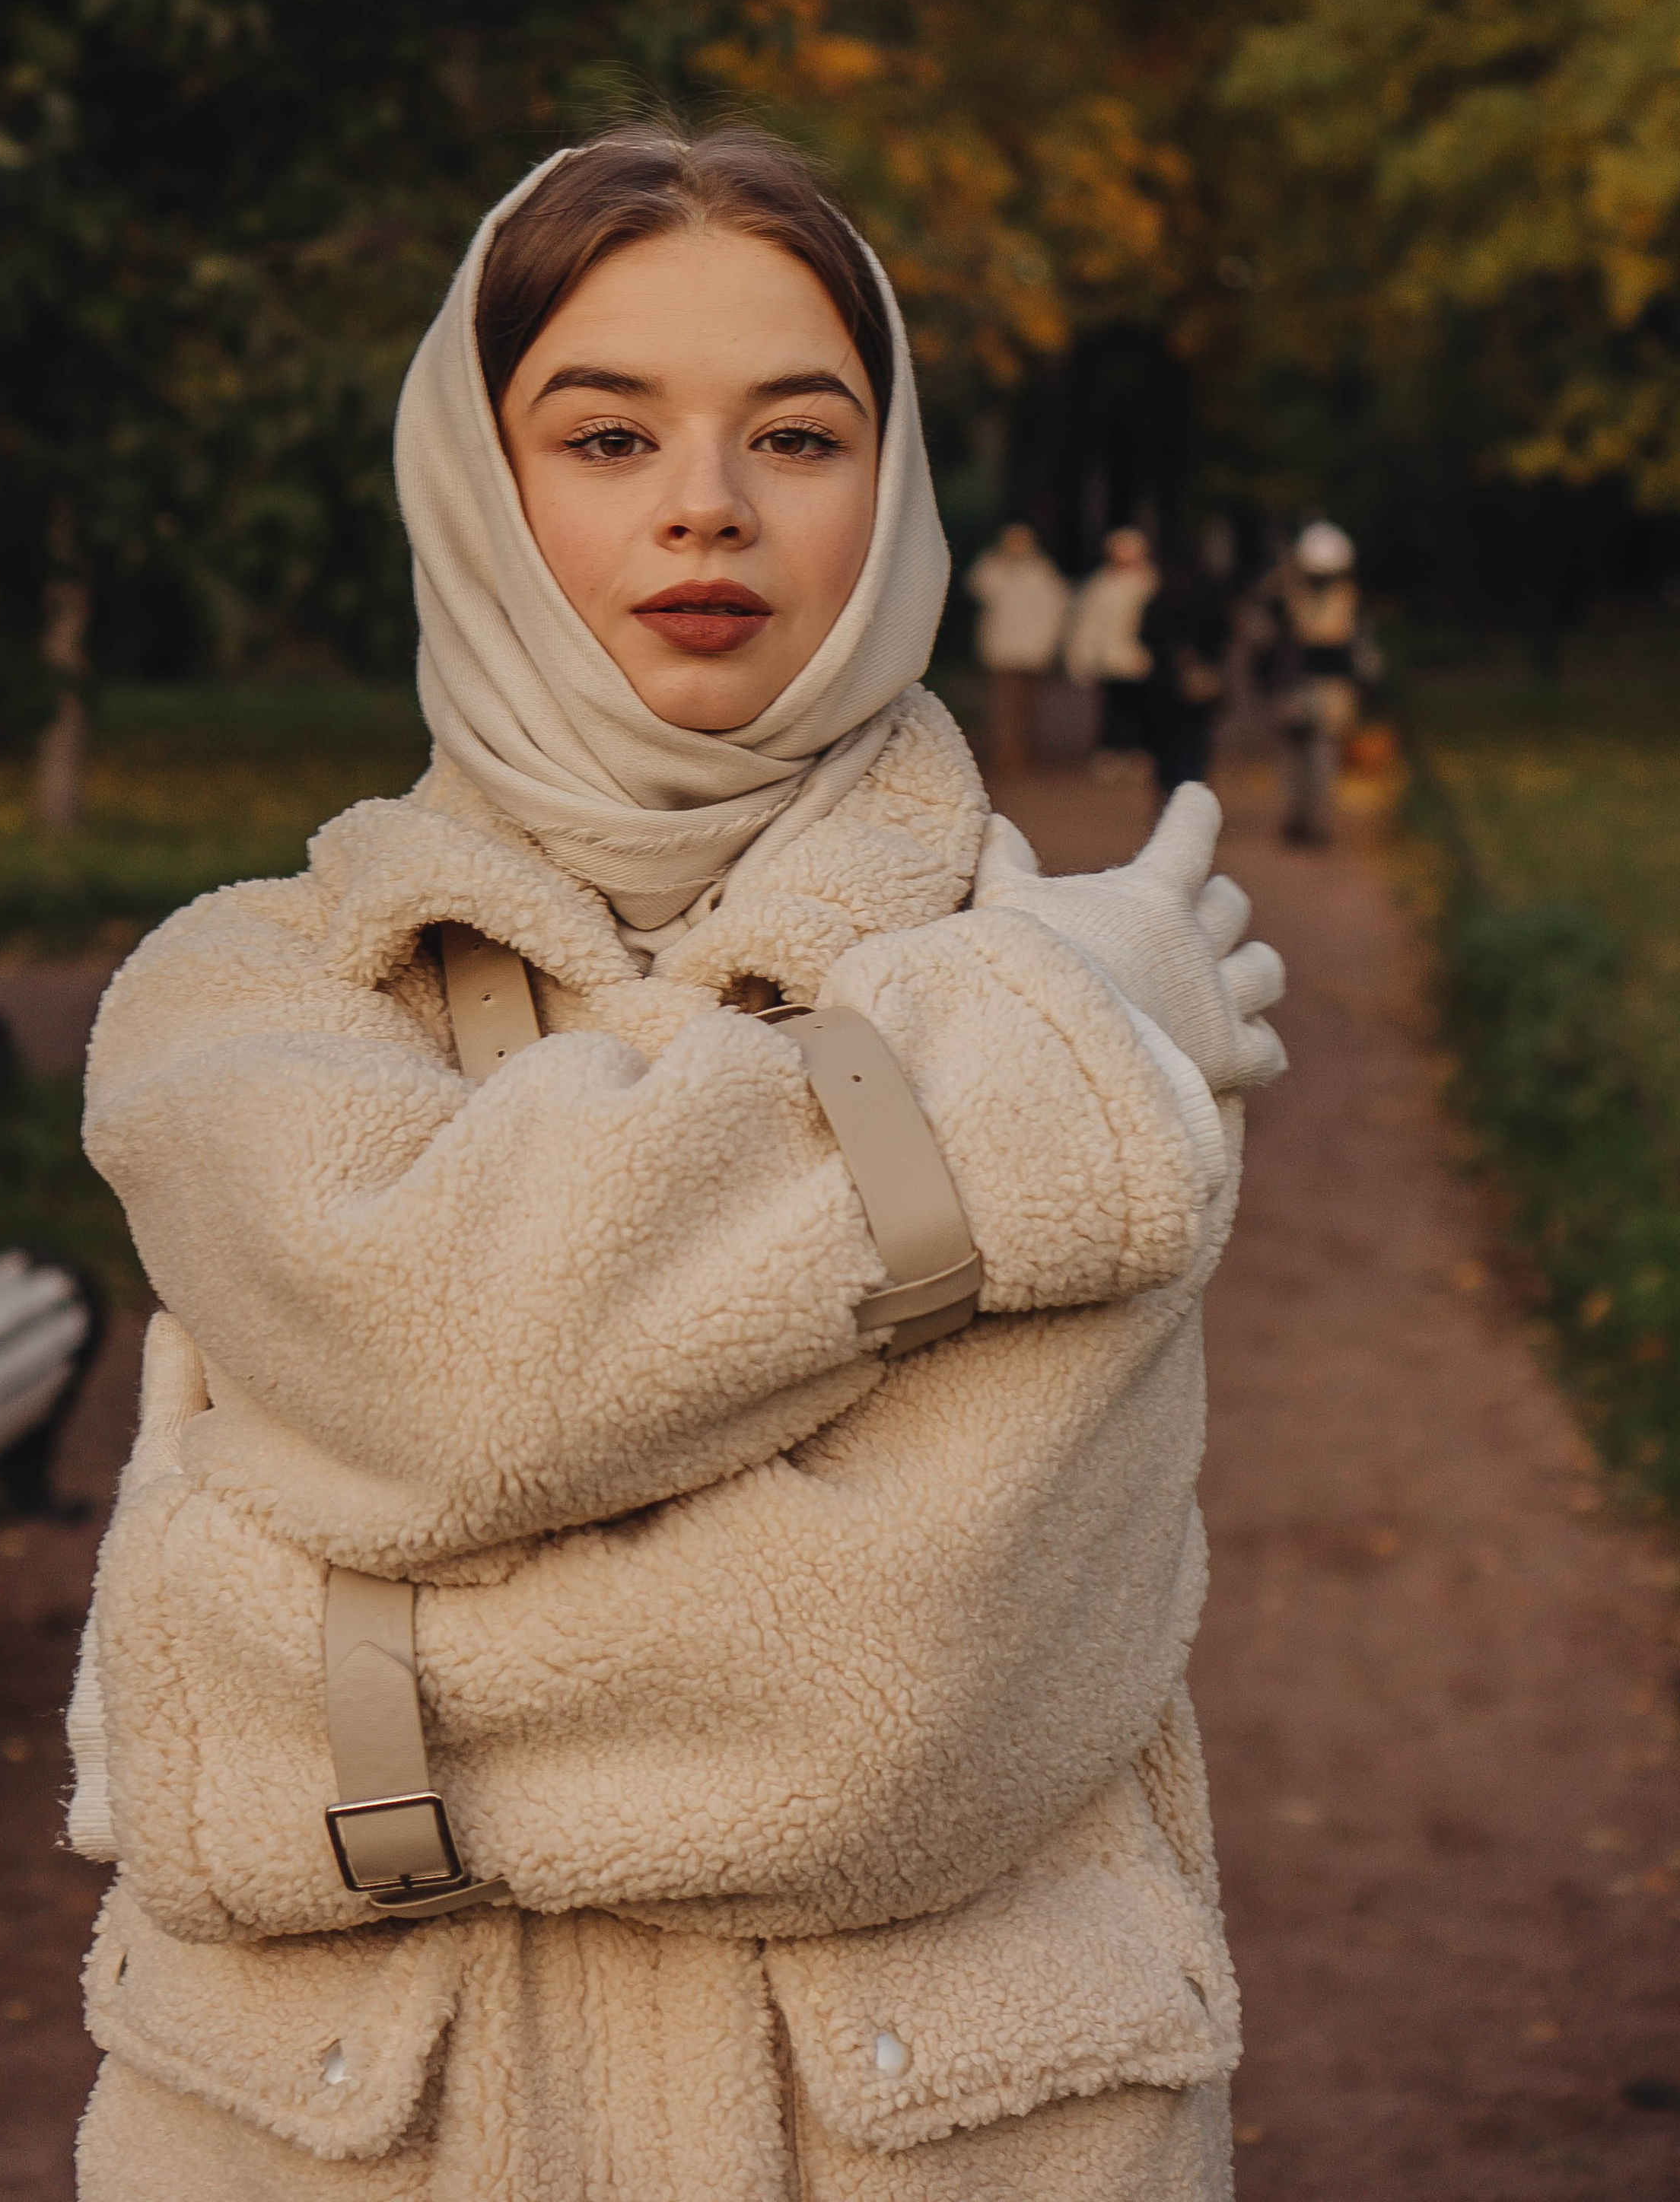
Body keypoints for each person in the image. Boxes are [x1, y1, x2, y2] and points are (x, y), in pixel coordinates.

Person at [65, 125, 1286, 2201]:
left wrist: (290, 1705)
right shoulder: (239, 995)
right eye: (606, 436)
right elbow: (464, 1369)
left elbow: (900, 1706)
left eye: (795, 437)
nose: (705, 506)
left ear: (889, 493)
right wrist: (984, 1085)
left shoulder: (1088, 985)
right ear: (477, 481)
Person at [1271, 520, 1361, 847]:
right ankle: (1305, 821)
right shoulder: (1289, 595)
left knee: (1313, 756)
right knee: (1308, 756)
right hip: (1309, 686)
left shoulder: (1290, 595)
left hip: (1318, 687)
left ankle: (1309, 821)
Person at [964, 520, 1070, 771]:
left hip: (1031, 650)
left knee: (1027, 705)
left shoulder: (1041, 572)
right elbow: (976, 586)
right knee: (1003, 704)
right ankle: (1007, 751)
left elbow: (1054, 610)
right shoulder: (996, 569)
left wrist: (1048, 644)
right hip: (1002, 649)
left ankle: (1025, 751)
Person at [1064, 526, 1158, 781]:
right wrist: (1081, 657)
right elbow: (1088, 624)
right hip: (1110, 661)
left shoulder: (1150, 583)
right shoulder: (1100, 585)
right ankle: (1110, 753)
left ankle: (1140, 753)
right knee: (1112, 710)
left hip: (1142, 660)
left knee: (1142, 709)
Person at [1141, 559, 1235, 798]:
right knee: (1192, 743)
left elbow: (1145, 636)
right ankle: (1188, 791)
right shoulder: (1206, 604)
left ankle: (1178, 790)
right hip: (1182, 686)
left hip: (1174, 686)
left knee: (1177, 743)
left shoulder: (1161, 602)